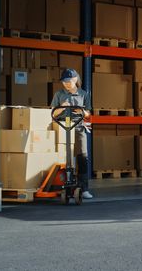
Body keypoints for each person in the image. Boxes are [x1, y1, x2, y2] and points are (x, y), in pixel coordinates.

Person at [50, 68, 94, 199]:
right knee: (63, 157)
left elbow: (88, 114)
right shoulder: (59, 94)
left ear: (75, 79)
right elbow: (52, 113)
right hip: (62, 126)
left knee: (82, 157)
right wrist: (62, 106)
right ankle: (59, 185)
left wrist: (81, 111)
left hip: (78, 126)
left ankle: (84, 188)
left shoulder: (83, 94)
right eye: (64, 81)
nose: (66, 84)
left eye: (68, 81)